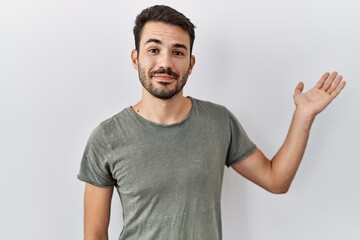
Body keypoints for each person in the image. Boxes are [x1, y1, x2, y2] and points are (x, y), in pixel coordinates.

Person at [77, 5, 346, 240]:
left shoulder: (219, 122)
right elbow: (95, 235)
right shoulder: (107, 138)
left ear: (191, 64)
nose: (165, 63)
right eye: (153, 49)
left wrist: (303, 116)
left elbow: (276, 181)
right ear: (136, 58)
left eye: (178, 52)